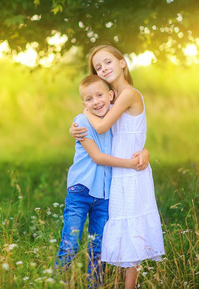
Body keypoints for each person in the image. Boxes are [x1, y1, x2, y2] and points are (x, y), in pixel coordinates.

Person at [70, 44, 165, 288]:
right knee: (124, 227)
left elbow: (101, 127)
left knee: (132, 227)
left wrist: (83, 113)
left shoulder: (129, 94)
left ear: (122, 62)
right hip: (119, 173)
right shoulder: (109, 101)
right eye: (98, 67)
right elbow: (118, 132)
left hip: (133, 173)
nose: (103, 69)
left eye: (108, 62)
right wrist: (76, 127)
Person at [55, 75, 149, 286]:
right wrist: (131, 163)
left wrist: (145, 151)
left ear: (110, 95)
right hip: (81, 191)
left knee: (98, 248)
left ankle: (94, 285)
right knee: (70, 244)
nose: (96, 101)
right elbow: (97, 157)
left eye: (99, 95)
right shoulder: (81, 121)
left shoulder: (113, 121)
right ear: (83, 104)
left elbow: (131, 137)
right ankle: (53, 282)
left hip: (105, 195)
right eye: (89, 99)